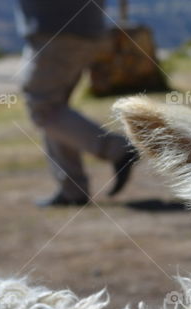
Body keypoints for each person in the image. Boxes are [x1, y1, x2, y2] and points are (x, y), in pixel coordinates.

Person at [16, 0, 137, 206]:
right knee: (55, 108)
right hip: (81, 30)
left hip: (57, 32)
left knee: (42, 109)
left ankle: (117, 149)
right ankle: (72, 190)